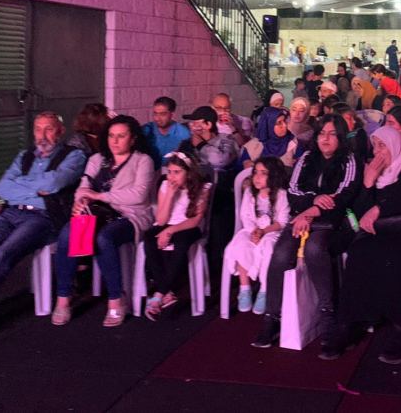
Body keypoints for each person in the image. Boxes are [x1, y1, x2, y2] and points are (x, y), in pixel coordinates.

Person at [0, 113, 85, 340]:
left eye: (48, 129)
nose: (42, 135)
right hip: (11, 213)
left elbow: (55, 183)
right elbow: (2, 188)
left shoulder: (74, 156)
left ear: (60, 131)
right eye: (38, 129)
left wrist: (22, 186)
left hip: (43, 218)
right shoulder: (24, 156)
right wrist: (38, 189)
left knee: (0, 256)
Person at [322, 126, 401, 363]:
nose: (378, 152)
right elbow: (359, 214)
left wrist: (380, 207)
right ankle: (350, 323)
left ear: (394, 144)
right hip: (376, 232)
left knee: (393, 256)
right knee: (359, 253)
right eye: (374, 146)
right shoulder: (374, 172)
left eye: (382, 145)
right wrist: (367, 183)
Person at [252, 115, 362, 349]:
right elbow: (293, 191)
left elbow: (344, 195)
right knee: (281, 253)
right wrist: (312, 202)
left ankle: (327, 315)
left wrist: (312, 211)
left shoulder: (349, 160)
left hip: (333, 221)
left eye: (332, 134)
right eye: (322, 133)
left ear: (341, 137)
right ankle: (272, 316)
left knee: (314, 248)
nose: (325, 139)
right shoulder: (306, 158)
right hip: (302, 216)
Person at [52, 115, 156, 328]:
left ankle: (116, 298)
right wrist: (81, 202)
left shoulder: (143, 160)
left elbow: (139, 195)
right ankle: (63, 298)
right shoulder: (97, 159)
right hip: (97, 213)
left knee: (103, 238)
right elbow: (83, 186)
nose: (114, 141)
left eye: (121, 136)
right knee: (67, 234)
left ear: (133, 139)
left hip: (130, 215)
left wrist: (100, 196)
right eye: (111, 136)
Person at [142, 151, 210, 320]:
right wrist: (170, 196)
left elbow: (195, 220)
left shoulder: (202, 188)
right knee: (149, 239)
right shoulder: (165, 186)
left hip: (188, 226)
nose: (171, 177)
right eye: (170, 172)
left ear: (189, 173)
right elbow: (161, 220)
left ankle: (159, 294)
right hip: (166, 224)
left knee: (181, 242)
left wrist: (170, 231)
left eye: (177, 172)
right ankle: (166, 293)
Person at [223, 157, 290, 315]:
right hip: (252, 230)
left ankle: (264, 290)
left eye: (263, 173)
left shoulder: (281, 195)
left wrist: (263, 231)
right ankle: (244, 288)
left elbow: (282, 222)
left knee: (267, 246)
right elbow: (245, 216)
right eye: (255, 172)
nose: (257, 177)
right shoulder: (249, 193)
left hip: (272, 232)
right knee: (240, 243)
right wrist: (254, 231)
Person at [178, 106, 239, 178]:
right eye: (191, 123)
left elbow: (220, 161)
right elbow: (178, 165)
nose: (192, 127)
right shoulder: (187, 144)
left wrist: (201, 145)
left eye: (195, 123)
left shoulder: (226, 140)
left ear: (208, 125)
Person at [142, 96, 191, 168]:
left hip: (171, 171)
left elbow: (186, 162)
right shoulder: (147, 130)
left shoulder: (183, 134)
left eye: (162, 114)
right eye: (155, 113)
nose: (157, 118)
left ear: (172, 115)